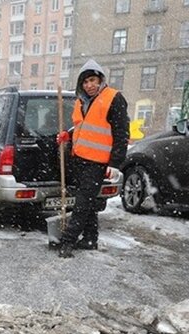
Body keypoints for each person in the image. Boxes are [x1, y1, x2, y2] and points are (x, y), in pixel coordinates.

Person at [56, 59, 128, 258]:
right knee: (87, 202)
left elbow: (122, 133)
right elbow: (82, 128)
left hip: (98, 163)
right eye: (86, 82)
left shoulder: (114, 98)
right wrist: (67, 135)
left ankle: (67, 241)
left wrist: (115, 163)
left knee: (81, 203)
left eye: (93, 80)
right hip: (79, 159)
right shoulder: (80, 101)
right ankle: (89, 239)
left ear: (101, 80)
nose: (90, 85)